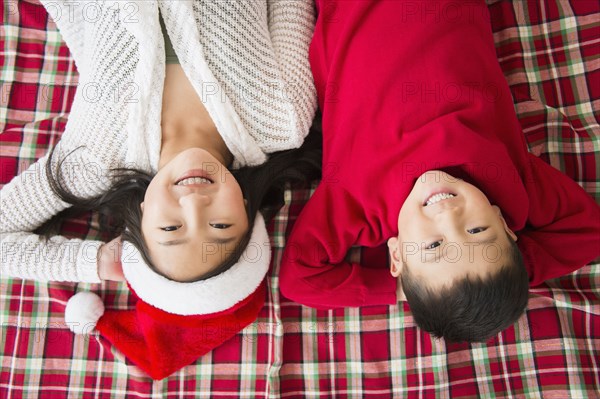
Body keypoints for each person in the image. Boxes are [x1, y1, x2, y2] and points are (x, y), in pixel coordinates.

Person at [279, 0, 600, 343]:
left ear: (398, 254)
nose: (449, 215)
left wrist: (399, 290)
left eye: (433, 246)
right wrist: (515, 272)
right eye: (478, 230)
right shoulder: (511, 184)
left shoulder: (357, 204)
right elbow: (588, 234)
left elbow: (300, 280)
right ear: (504, 225)